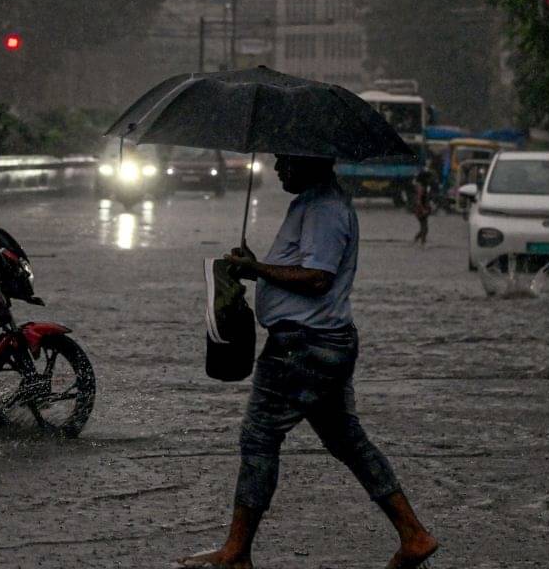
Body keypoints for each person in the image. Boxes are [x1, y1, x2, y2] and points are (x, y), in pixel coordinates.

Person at [178, 155, 438, 569]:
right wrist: (254, 264)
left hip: (303, 346)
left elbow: (318, 278)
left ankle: (235, 552)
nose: (278, 166)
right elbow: (304, 268)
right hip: (321, 343)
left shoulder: (324, 209)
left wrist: (258, 268)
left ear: (312, 160)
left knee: (260, 437)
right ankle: (414, 535)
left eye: (286, 159)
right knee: (347, 441)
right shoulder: (312, 202)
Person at [411, 170, 434, 245]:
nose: (431, 180)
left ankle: (417, 240)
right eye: (429, 178)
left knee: (424, 227)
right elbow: (419, 201)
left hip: (421, 209)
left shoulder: (422, 186)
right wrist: (423, 210)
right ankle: (422, 242)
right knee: (424, 228)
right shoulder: (421, 188)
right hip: (420, 210)